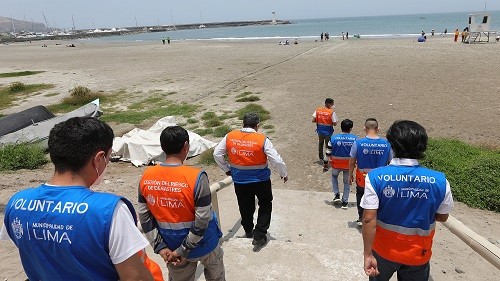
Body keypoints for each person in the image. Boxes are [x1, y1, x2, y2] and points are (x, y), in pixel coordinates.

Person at [1, 117, 155, 281]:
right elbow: (135, 277)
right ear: (99, 158)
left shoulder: (17, 203)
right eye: (108, 158)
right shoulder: (109, 210)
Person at [361, 120, 454, 280]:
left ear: (392, 144)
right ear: (422, 146)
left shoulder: (375, 177)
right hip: (418, 254)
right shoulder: (440, 180)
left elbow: (369, 219)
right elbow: (442, 216)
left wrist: (367, 254)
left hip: (383, 251)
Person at [138, 126, 225, 281]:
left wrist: (160, 247)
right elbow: (202, 220)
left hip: (171, 248)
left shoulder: (146, 177)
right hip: (205, 245)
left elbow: (144, 218)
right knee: (216, 276)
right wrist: (184, 249)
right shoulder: (197, 177)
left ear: (163, 147)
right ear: (186, 146)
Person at [213, 113, 288, 247]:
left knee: (245, 206)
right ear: (257, 126)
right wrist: (283, 173)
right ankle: (259, 234)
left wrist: (227, 169)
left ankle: (248, 230)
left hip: (240, 181)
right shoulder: (262, 139)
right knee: (265, 204)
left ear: (243, 124)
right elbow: (275, 159)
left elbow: (217, 153)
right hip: (261, 180)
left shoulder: (230, 136)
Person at [348, 118, 391, 226]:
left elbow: (352, 161)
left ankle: (361, 217)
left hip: (362, 178)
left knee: (361, 196)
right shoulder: (387, 144)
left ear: (364, 128)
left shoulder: (358, 143)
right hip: (381, 179)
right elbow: (391, 162)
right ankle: (377, 219)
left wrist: (350, 175)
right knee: (379, 198)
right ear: (378, 129)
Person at [325, 119, 357, 209]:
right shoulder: (355, 139)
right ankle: (345, 202)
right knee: (347, 182)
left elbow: (328, 152)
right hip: (348, 166)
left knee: (334, 177)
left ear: (341, 127)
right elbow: (357, 154)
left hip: (336, 165)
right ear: (350, 128)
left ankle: (337, 194)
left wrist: (325, 162)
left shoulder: (333, 138)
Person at [312, 98, 338, 171]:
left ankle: (321, 157)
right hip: (328, 132)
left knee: (320, 144)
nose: (333, 105)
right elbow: (335, 123)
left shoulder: (318, 110)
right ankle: (328, 160)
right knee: (328, 146)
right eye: (332, 104)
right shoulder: (331, 112)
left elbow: (313, 120)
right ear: (329, 104)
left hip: (320, 131)